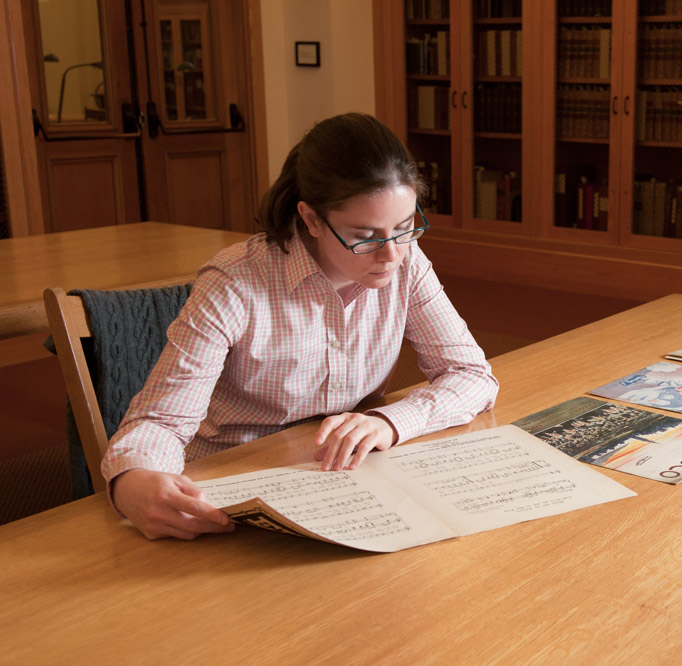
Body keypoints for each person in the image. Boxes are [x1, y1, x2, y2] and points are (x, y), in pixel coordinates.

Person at [104, 113, 499, 541]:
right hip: (233, 482)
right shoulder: (235, 283)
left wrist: (390, 421)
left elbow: (472, 375)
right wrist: (133, 480)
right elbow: (161, 422)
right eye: (366, 236)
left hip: (345, 477)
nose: (392, 256)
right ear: (311, 219)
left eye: (404, 229)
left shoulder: (407, 261)